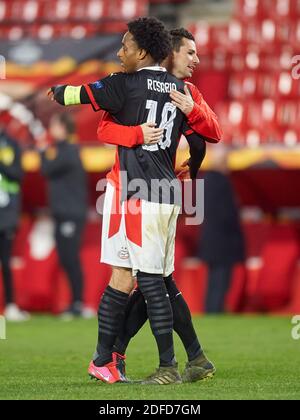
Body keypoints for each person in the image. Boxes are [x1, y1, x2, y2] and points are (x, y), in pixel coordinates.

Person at [95, 28, 221, 383]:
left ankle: (122, 357)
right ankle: (191, 357)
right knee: (153, 279)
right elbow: (104, 129)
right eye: (190, 53)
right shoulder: (135, 85)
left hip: (155, 194)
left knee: (151, 279)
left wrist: (192, 112)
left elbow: (212, 132)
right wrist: (137, 134)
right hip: (127, 191)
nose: (196, 60)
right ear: (169, 54)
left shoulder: (188, 92)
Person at [37, 113, 92, 319]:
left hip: (71, 214)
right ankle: (75, 302)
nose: (51, 129)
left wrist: (42, 151)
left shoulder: (68, 151)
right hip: (63, 214)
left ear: (62, 127)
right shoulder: (64, 150)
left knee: (70, 258)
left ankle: (78, 303)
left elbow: (46, 169)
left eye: (53, 124)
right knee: (66, 258)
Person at [199, 145, 245, 313]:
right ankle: (214, 312)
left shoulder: (204, 180)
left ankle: (211, 312)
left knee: (213, 284)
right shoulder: (221, 182)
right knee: (220, 283)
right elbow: (227, 214)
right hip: (223, 243)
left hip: (210, 241)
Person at [0, 125, 29, 322]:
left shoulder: (12, 144)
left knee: (5, 260)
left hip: (6, 213)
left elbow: (18, 174)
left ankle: (10, 305)